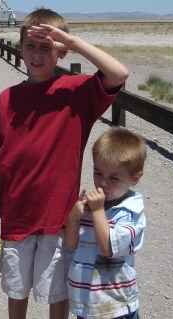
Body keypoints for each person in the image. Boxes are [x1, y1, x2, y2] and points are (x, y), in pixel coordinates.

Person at [0, 7, 130, 319]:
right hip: (16, 216)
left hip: (58, 217)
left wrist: (73, 42)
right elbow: (2, 164)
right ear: (20, 48)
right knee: (16, 291)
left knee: (56, 295)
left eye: (46, 48)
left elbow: (118, 74)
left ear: (60, 52)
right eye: (30, 46)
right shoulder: (5, 101)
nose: (36, 55)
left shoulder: (76, 93)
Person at [65, 127, 147, 319]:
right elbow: (71, 243)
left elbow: (108, 248)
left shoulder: (130, 211)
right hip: (87, 302)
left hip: (115, 304)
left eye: (114, 178)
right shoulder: (93, 204)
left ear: (134, 178)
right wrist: (74, 217)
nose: (103, 183)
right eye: (98, 173)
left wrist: (98, 210)